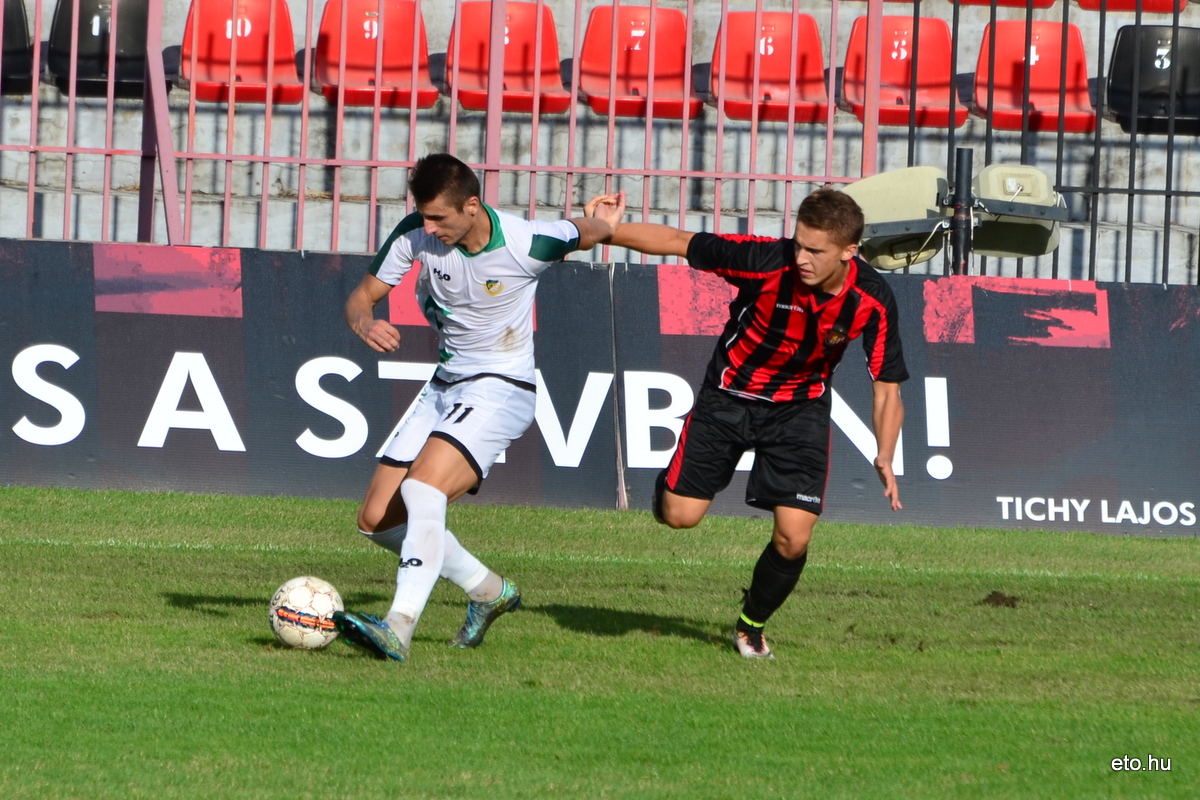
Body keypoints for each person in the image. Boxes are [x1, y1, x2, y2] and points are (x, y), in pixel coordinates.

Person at [585, 187, 907, 659]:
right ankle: (670, 488)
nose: (801, 257)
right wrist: (606, 230)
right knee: (680, 517)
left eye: (815, 251)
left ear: (849, 251)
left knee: (794, 538)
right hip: (728, 399)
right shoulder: (765, 260)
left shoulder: (873, 299)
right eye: (798, 243)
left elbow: (887, 387)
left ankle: (751, 625)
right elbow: (678, 240)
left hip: (800, 411)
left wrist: (885, 452)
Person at [336, 153, 625, 662]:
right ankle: (489, 590)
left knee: (424, 488)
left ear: (472, 206)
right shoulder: (414, 235)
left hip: (502, 388)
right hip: (446, 384)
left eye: (439, 218)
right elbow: (361, 298)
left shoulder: (526, 242)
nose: (429, 227)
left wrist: (601, 222)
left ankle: (397, 628)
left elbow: (583, 232)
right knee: (375, 521)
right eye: (423, 215)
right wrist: (365, 324)